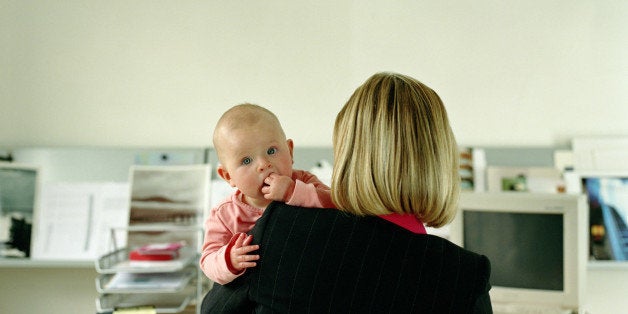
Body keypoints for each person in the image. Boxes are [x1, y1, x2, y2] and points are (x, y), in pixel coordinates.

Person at [201, 72, 492, 313]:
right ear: (440, 159)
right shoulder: (467, 277)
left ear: (348, 152)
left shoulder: (278, 236)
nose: (264, 164)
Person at [200, 103, 334, 285]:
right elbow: (208, 260)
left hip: (309, 278)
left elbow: (334, 204)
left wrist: (292, 192)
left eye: (271, 151)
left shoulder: (303, 182)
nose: (263, 164)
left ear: (290, 151)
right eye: (246, 160)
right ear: (228, 176)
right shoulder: (225, 214)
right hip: (260, 287)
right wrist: (229, 260)